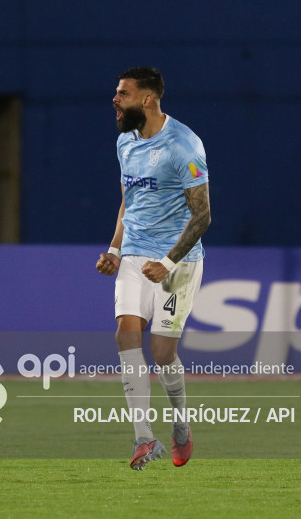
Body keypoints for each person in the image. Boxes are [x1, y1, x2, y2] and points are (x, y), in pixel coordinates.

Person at [96, 67, 211, 470]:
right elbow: (129, 200)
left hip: (176, 262)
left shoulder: (184, 145)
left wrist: (166, 263)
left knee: (163, 354)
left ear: (147, 99)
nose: (115, 99)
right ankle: (143, 438)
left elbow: (202, 216)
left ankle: (181, 426)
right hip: (133, 256)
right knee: (125, 335)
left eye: (123, 93)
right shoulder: (125, 141)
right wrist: (114, 247)